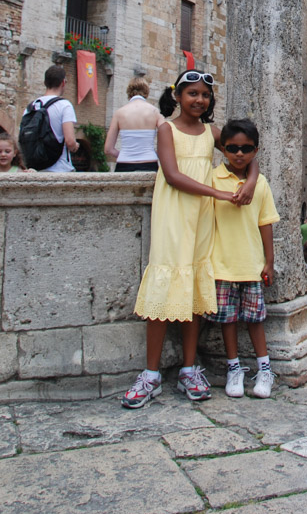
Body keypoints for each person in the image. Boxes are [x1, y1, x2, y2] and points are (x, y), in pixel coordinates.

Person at [122, 70, 258, 409]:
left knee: (195, 286)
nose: (199, 100)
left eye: (205, 95)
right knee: (166, 281)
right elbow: (172, 174)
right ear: (178, 96)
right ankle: (150, 373)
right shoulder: (166, 129)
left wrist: (252, 180)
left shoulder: (213, 133)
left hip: (202, 219)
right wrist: (217, 192)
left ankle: (188, 368)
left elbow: (249, 149)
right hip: (173, 214)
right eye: (192, 94)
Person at [207, 118, 280, 399]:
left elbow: (266, 224)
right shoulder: (212, 180)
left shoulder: (260, 184)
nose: (239, 154)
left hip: (251, 264)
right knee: (227, 320)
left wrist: (269, 262)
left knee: (255, 319)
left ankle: (264, 369)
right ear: (223, 149)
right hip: (222, 263)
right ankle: (234, 368)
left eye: (246, 149)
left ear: (256, 151)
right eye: (233, 148)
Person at [22, 65, 78, 171]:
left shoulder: (31, 107)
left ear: (45, 83)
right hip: (59, 168)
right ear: (63, 83)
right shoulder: (64, 105)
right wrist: (75, 146)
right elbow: (70, 141)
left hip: (35, 169)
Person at [104, 77, 164, 172]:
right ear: (146, 92)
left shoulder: (119, 113)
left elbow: (108, 149)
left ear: (129, 92)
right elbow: (167, 137)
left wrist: (125, 155)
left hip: (124, 163)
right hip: (149, 162)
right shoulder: (155, 112)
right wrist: (155, 153)